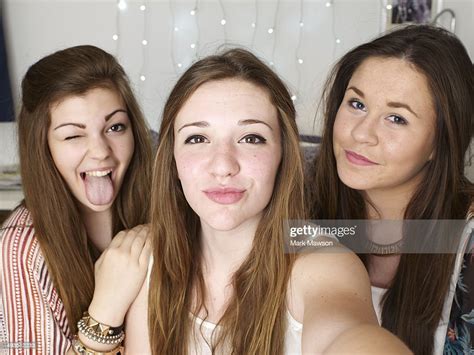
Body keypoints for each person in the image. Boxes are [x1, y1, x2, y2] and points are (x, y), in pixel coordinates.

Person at [124, 48, 410, 354]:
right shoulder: (146, 262)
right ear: (173, 161)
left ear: (283, 157)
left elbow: (348, 334)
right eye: (197, 139)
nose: (223, 166)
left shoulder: (321, 264)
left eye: (251, 138)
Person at [309, 25, 473, 354]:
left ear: (439, 143)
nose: (362, 134)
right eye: (356, 104)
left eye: (396, 118)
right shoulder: (299, 211)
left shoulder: (466, 241)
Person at [0, 45, 152, 354]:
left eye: (115, 127)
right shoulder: (20, 250)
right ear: (44, 146)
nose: (100, 151)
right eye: (73, 135)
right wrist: (105, 311)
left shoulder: (168, 189)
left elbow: (276, 226)